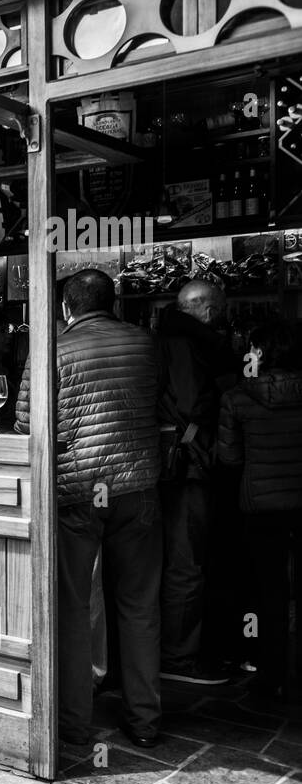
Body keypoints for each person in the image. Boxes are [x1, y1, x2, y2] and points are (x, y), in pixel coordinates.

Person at [16, 269, 163, 749]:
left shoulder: (51, 348)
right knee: (139, 605)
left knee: (73, 606)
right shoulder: (145, 343)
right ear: (112, 301)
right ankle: (145, 722)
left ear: (64, 308)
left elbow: (26, 424)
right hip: (138, 488)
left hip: (78, 491)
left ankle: (74, 725)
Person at [154, 279, 238, 684]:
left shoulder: (169, 337)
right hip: (186, 464)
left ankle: (173, 650)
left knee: (176, 559)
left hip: (172, 462)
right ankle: (178, 657)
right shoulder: (188, 344)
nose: (223, 313)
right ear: (205, 308)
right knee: (186, 562)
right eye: (219, 307)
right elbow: (189, 406)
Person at [217, 321, 302, 699]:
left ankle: (271, 673)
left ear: (260, 354)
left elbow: (229, 457)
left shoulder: (237, 397)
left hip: (261, 505)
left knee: (268, 590)